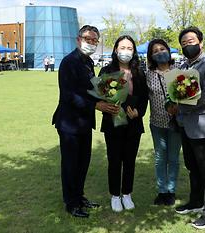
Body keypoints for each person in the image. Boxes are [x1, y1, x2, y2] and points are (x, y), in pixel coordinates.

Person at [52, 25, 119, 218]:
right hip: (69, 124)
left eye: (94, 40)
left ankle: (79, 197)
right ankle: (71, 203)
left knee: (83, 163)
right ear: (78, 39)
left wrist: (111, 94)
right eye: (87, 39)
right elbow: (69, 95)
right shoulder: (68, 62)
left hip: (84, 123)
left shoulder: (88, 62)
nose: (91, 43)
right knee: (71, 164)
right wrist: (97, 106)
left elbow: (92, 89)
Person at [167, 26, 205, 229]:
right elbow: (177, 90)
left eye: (190, 41)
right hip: (184, 124)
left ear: (200, 42)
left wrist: (180, 104)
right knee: (192, 167)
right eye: (183, 43)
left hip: (202, 125)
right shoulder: (183, 66)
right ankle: (196, 202)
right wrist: (172, 103)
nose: (187, 45)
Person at [99, 35, 148, 212]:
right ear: (115, 50)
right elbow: (100, 96)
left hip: (133, 123)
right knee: (114, 160)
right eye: (122, 47)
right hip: (112, 122)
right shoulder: (106, 71)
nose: (125, 51)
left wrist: (139, 112)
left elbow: (144, 98)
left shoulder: (139, 72)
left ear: (133, 51)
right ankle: (115, 195)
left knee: (129, 160)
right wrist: (105, 106)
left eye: (129, 48)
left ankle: (127, 193)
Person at [146, 39, 182, 206]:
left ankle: (171, 190)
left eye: (162, 49)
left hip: (176, 123)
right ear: (151, 56)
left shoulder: (180, 71)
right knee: (160, 158)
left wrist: (179, 108)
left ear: (168, 51)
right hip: (157, 124)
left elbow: (189, 95)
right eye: (155, 51)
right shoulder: (148, 74)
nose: (160, 52)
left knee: (173, 158)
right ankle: (162, 191)